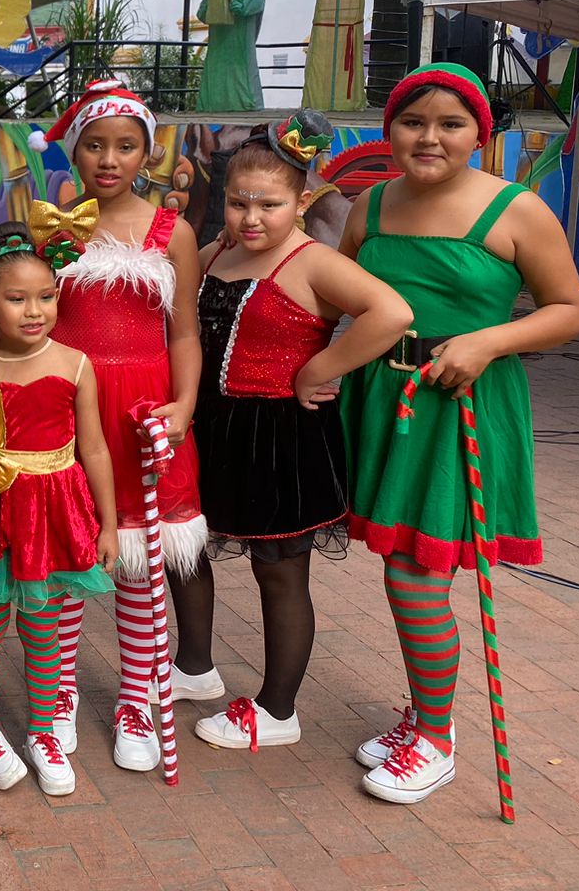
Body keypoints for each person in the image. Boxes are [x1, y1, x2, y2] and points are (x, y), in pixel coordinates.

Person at [338, 64, 579, 805]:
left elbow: (571, 309)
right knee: (402, 563)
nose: (430, 138)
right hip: (383, 400)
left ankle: (436, 740)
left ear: (480, 134)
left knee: (414, 572)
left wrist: (488, 341)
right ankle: (424, 714)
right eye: (413, 122)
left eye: (451, 124)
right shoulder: (369, 205)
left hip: (462, 406)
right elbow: (332, 291)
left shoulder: (519, 210)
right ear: (390, 129)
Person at [185, 111, 412, 751]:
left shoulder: (312, 262)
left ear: (302, 202)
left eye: (269, 205)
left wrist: (320, 368)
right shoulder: (220, 252)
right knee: (185, 546)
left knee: (279, 572)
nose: (251, 218)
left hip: (279, 435)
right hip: (211, 425)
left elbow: (392, 313)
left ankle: (277, 709)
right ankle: (192, 666)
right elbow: (174, 292)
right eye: (238, 203)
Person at [11, 81, 209, 771]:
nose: (109, 158)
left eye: (126, 146)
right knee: (72, 552)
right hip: (68, 407)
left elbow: (184, 332)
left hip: (143, 412)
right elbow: (24, 313)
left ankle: (135, 699)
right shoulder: (52, 227)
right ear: (74, 152)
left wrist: (184, 404)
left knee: (141, 564)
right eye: (94, 145)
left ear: (147, 154)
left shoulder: (173, 232)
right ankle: (57, 692)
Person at [0, 218, 117, 796]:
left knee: (44, 628)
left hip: (56, 514)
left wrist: (108, 524)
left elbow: (94, 448)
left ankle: (43, 731)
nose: (34, 310)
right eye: (16, 299)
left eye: (46, 296)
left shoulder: (75, 364)